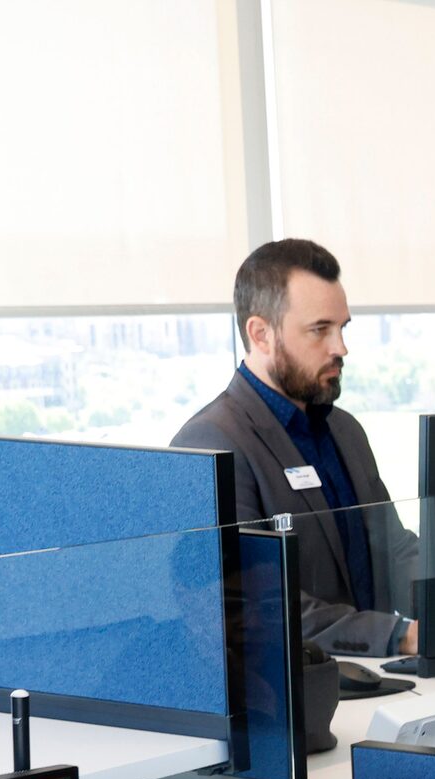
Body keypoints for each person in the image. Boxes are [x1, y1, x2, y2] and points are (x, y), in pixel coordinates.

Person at [173, 238, 422, 659]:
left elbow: (393, 549)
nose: (340, 347)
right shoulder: (211, 443)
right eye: (320, 330)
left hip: (379, 679)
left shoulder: (345, 430)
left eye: (342, 328)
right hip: (294, 697)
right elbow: (260, 605)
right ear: (261, 334)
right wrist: (399, 635)